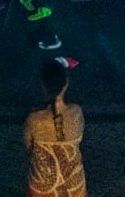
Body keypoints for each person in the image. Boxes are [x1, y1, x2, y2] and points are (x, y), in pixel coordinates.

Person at [22, 58, 86, 197]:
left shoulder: (33, 119)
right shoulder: (76, 112)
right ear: (66, 83)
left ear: (43, 87)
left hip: (42, 188)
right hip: (74, 187)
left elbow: (28, 147)